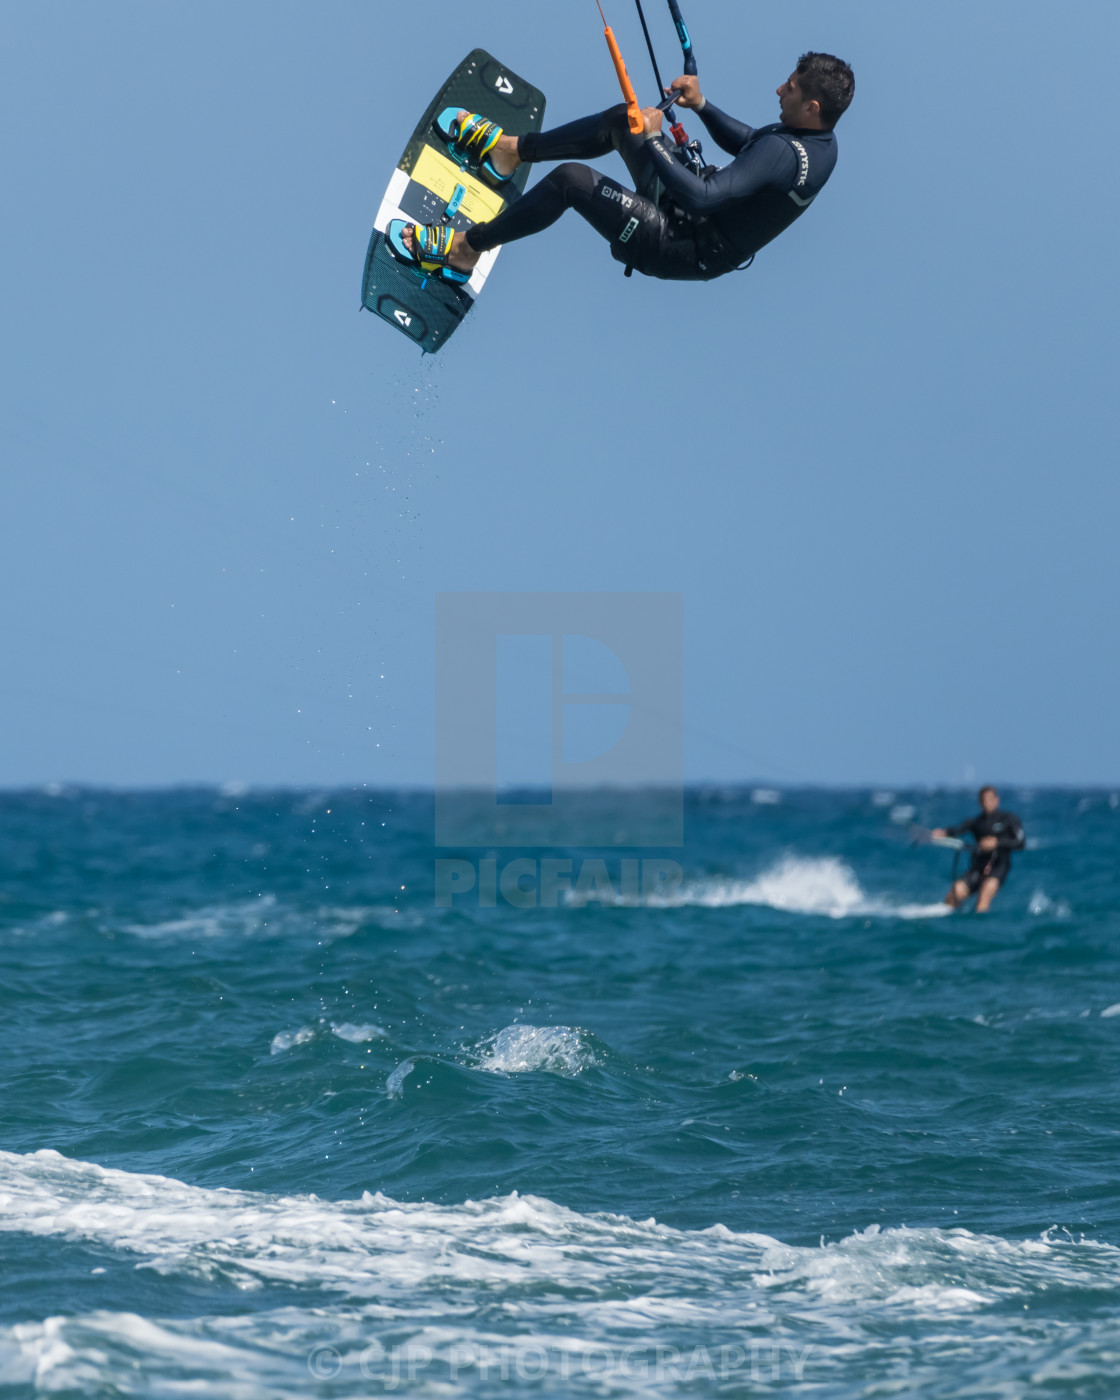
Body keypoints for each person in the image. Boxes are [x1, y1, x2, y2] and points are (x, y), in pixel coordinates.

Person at [387, 51, 854, 285]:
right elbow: (753, 143)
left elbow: (704, 197)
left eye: (789, 89)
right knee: (622, 119)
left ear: (811, 106)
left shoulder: (789, 154)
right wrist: (702, 105)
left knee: (571, 182)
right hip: (690, 209)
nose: (778, 90)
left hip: (679, 243)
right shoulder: (819, 139)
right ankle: (509, 151)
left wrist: (654, 140)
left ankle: (467, 248)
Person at [933, 787, 1026, 913]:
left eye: (990, 800)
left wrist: (997, 842)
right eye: (983, 800)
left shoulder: (1009, 819)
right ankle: (955, 923)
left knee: (985, 892)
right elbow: (957, 830)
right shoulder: (976, 822)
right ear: (979, 802)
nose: (987, 803)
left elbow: (1021, 843)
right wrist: (942, 833)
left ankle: (979, 925)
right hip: (978, 867)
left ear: (997, 800)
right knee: (954, 893)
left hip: (998, 867)